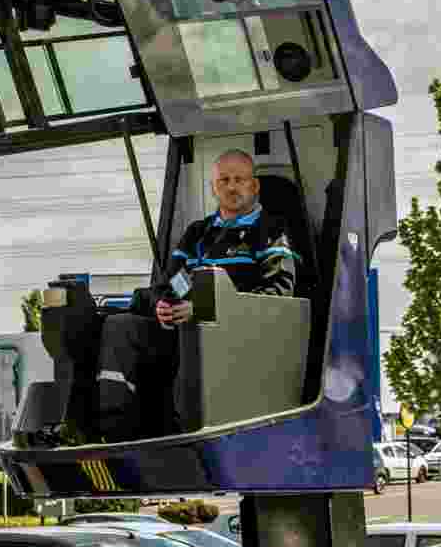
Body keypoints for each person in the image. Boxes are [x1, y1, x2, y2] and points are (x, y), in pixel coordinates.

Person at [59, 150, 298, 443]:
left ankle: (184, 428)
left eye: (239, 179)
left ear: (254, 186)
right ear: (214, 187)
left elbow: (279, 290)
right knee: (119, 325)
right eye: (224, 180)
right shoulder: (199, 235)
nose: (232, 187)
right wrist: (164, 304)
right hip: (180, 334)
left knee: (194, 334)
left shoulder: (271, 231)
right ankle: (110, 428)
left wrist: (209, 308)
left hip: (239, 340)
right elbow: (174, 283)